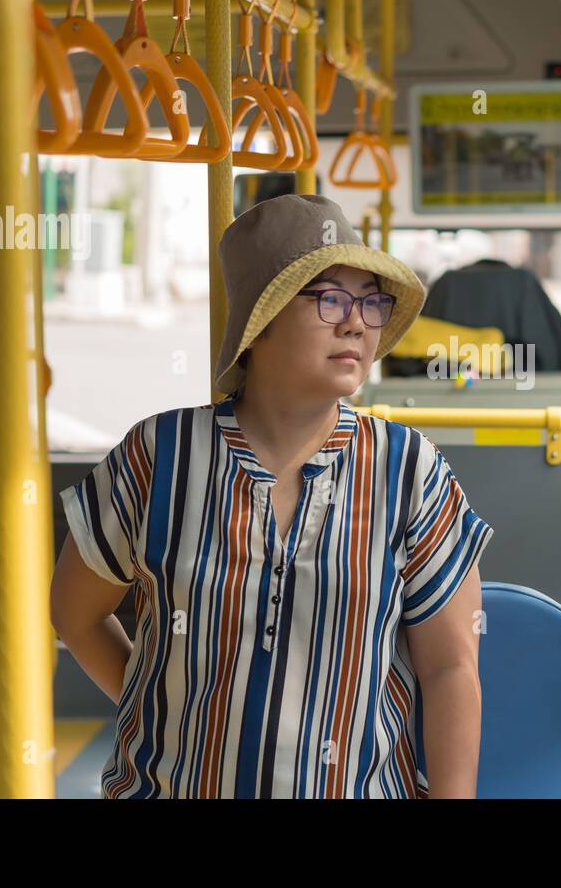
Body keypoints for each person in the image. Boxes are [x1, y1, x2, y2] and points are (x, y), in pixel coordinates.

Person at [50, 194, 495, 798]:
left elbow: (450, 669)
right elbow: (74, 614)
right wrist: (163, 710)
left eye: (371, 300)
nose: (357, 322)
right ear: (259, 323)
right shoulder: (161, 455)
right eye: (330, 298)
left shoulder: (407, 469)